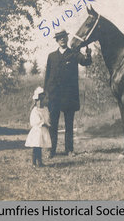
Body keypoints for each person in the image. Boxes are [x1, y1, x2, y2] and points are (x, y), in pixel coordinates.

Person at [44, 29, 92, 158]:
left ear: (66, 38)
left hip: (69, 96)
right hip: (54, 96)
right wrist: (45, 94)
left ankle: (69, 149)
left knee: (69, 124)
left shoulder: (74, 54)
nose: (62, 39)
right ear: (57, 40)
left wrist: (88, 54)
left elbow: (86, 62)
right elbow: (47, 77)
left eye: (64, 37)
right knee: (52, 124)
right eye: (60, 38)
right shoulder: (51, 56)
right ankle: (51, 150)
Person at [25, 87, 52, 167]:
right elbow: (35, 121)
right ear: (37, 101)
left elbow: (47, 119)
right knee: (36, 147)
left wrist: (48, 124)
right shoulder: (35, 110)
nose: (41, 102)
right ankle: (33, 163)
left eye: (44, 100)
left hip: (43, 131)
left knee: (39, 147)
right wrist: (44, 123)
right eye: (39, 100)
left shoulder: (45, 109)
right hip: (37, 131)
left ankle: (40, 162)